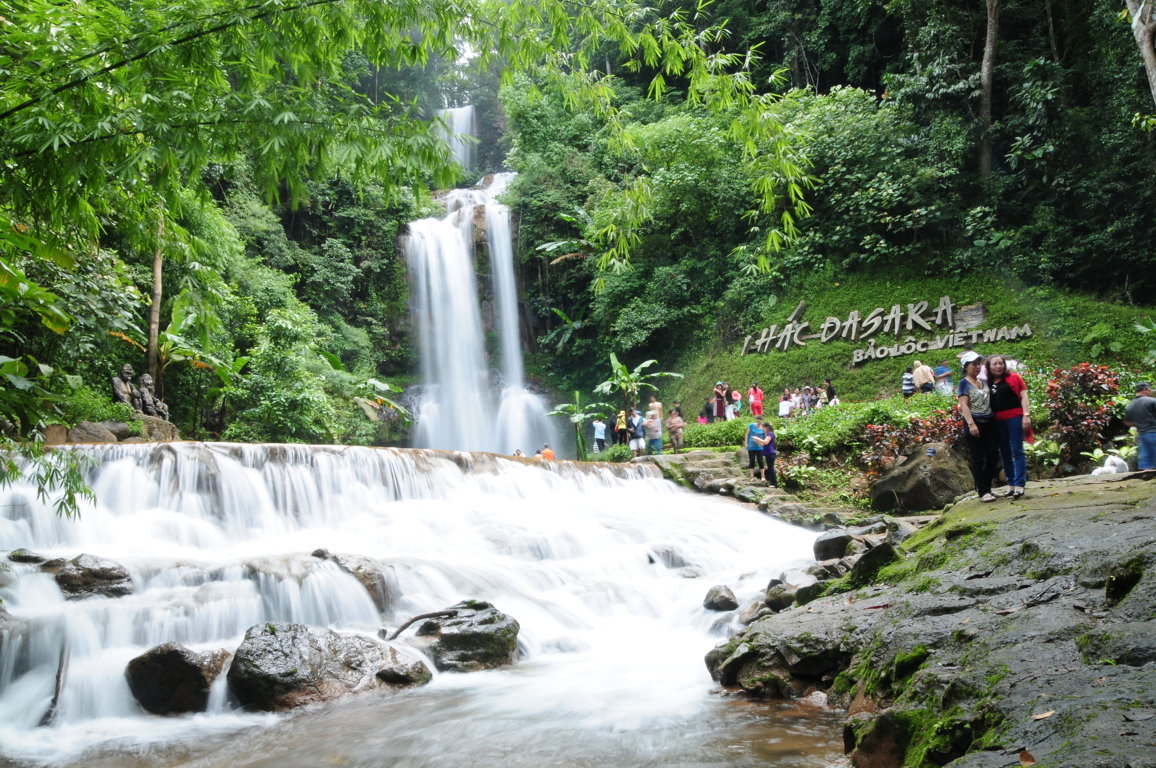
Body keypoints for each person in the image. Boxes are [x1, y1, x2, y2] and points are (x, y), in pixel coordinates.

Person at [957, 352, 999, 503]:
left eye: (978, 363)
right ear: (966, 366)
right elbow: (963, 405)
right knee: (978, 459)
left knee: (993, 456)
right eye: (973, 364)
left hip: (989, 423)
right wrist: (971, 424)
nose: (977, 366)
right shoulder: (963, 383)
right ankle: (982, 492)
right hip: (974, 423)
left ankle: (987, 488)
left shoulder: (984, 382)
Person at [987, 354, 1030, 498]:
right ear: (989, 366)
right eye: (995, 364)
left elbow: (1024, 396)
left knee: (1017, 450)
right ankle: (1010, 484)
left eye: (1000, 363)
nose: (998, 366)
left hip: (1015, 418)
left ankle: (1019, 484)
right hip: (997, 421)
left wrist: (1026, 415)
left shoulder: (1014, 378)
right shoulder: (987, 382)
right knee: (1004, 452)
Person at [1124, 382, 1156, 470]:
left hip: (1142, 435)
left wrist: (1139, 424)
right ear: (1145, 389)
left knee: (1146, 460)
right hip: (1154, 432)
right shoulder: (1151, 401)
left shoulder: (1130, 406)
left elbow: (1127, 422)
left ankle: (1146, 474)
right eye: (1149, 390)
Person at [758, 420, 778, 486]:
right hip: (768, 454)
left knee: (771, 468)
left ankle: (774, 483)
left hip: (771, 454)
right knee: (770, 468)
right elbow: (763, 444)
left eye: (763, 427)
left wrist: (757, 439)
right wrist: (756, 441)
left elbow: (765, 442)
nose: (762, 429)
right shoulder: (766, 434)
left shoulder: (770, 434)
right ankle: (772, 483)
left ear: (766, 427)